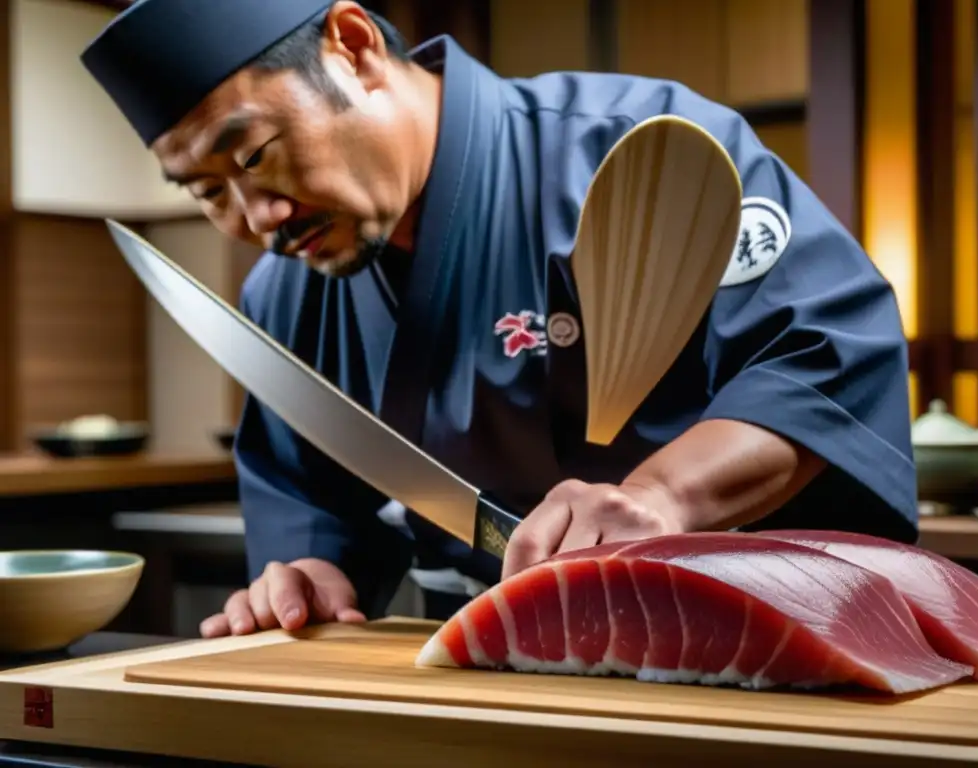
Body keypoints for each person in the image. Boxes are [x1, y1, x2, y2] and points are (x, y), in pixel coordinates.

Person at [82, 0, 918, 638]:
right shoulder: (284, 293)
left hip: (757, 624)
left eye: (255, 155)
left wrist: (663, 495)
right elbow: (305, 487)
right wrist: (304, 575)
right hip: (505, 653)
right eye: (206, 193)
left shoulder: (636, 149)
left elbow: (821, 353)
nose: (256, 216)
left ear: (355, 47)